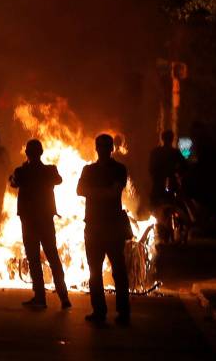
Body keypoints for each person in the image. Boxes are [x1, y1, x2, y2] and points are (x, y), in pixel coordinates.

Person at [9, 139, 71, 309]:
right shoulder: (49, 170)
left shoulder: (22, 171)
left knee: (34, 259)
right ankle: (64, 297)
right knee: (53, 257)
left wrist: (23, 169)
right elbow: (58, 180)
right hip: (45, 219)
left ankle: (40, 297)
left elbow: (13, 182)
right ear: (41, 153)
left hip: (29, 221)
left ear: (27, 153)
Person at [78, 133, 131, 324]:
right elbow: (80, 191)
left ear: (111, 149)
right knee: (95, 272)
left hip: (111, 226)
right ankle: (99, 311)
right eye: (99, 146)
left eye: (104, 146)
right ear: (96, 148)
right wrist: (105, 192)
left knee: (118, 270)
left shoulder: (119, 169)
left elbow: (114, 192)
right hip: (94, 226)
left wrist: (95, 192)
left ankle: (122, 312)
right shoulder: (89, 169)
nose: (102, 150)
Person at [148, 130, 186, 242]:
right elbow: (184, 167)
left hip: (160, 189)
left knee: (161, 214)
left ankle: (164, 236)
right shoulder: (174, 153)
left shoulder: (156, 152)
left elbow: (151, 169)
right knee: (169, 211)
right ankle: (168, 236)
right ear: (171, 139)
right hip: (167, 189)